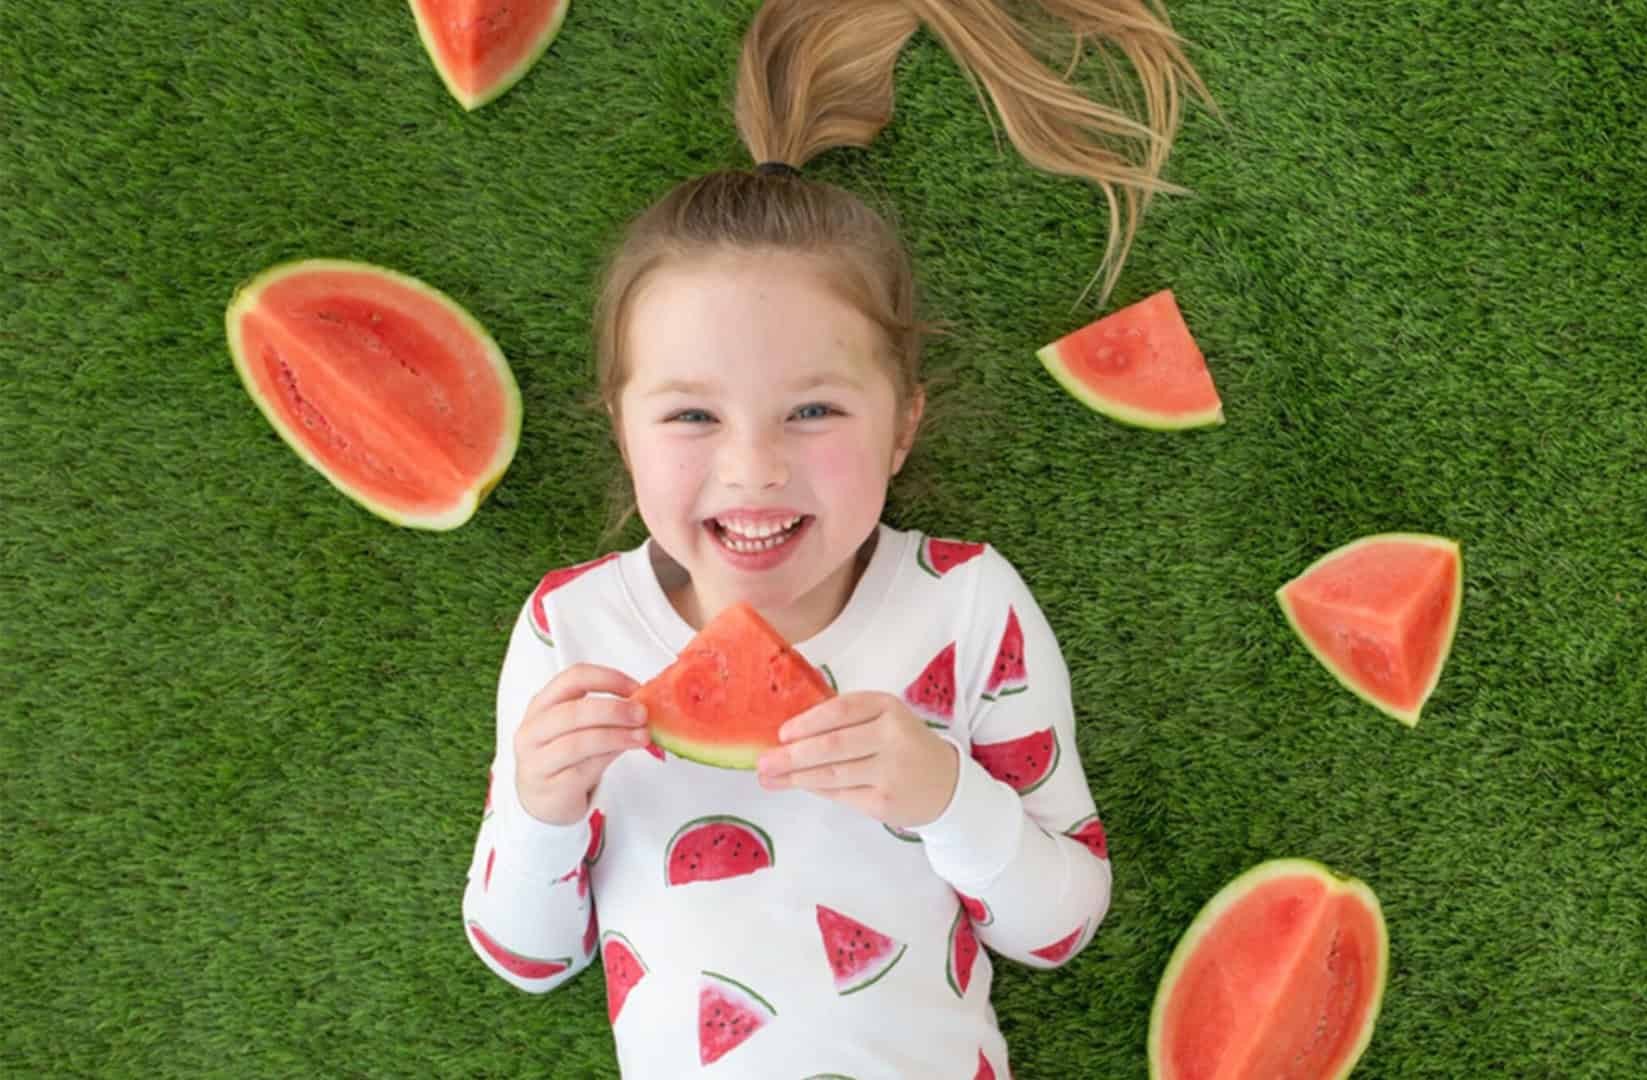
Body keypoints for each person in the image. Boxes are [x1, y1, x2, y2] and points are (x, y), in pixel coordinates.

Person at [461, 1, 1209, 1074]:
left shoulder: (965, 604)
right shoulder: (569, 628)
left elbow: (1060, 926)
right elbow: (530, 960)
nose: (754, 468)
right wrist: (540, 807)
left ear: (903, 424)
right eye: (690, 416)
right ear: (620, 428)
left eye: (813, 412)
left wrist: (946, 795)